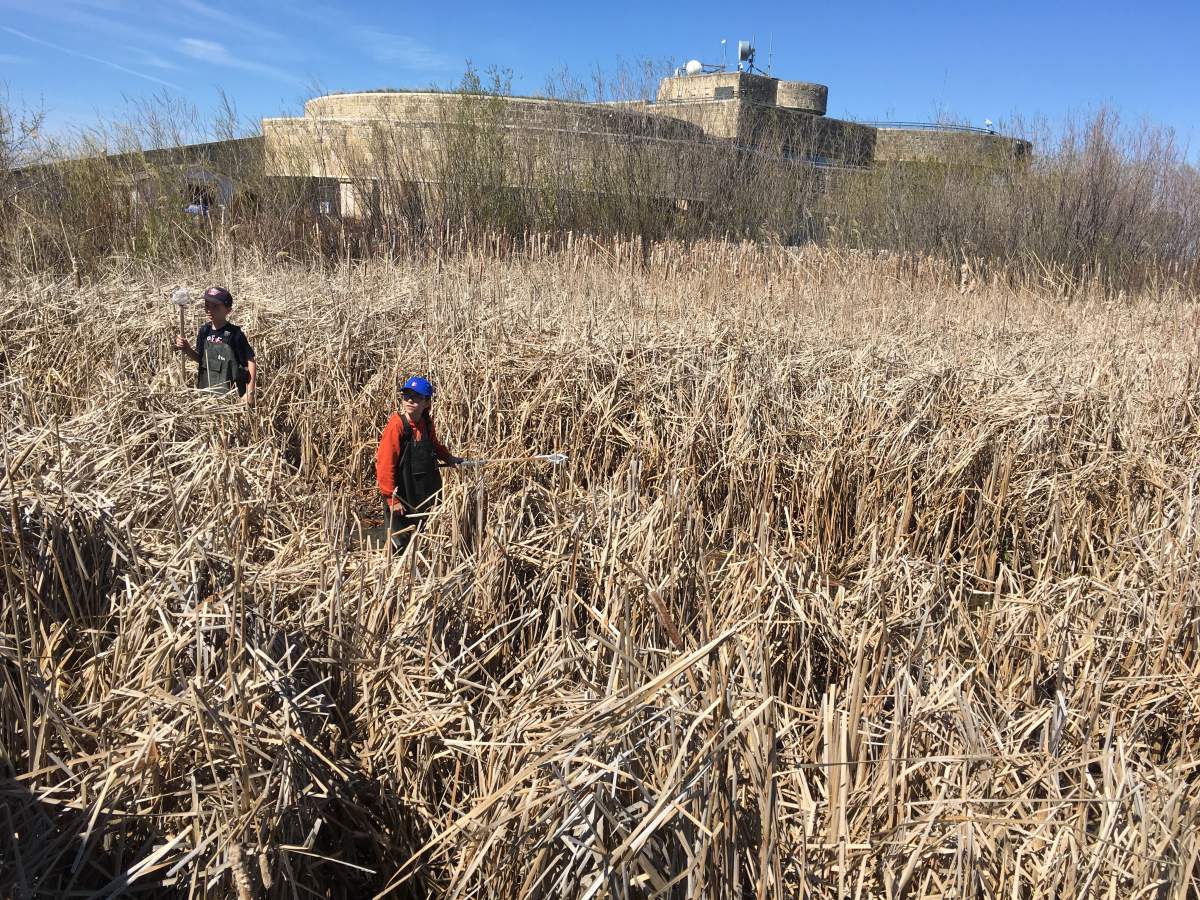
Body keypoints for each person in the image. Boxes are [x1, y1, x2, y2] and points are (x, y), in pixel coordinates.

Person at [374, 376, 462, 551]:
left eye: (416, 397)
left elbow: (434, 445)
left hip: (423, 493)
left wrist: (449, 458)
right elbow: (385, 464)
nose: (410, 400)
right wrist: (392, 498)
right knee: (400, 543)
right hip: (402, 495)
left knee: (423, 538)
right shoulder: (397, 426)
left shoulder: (426, 423)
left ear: (427, 403)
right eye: (406, 395)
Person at [172, 286, 257, 403]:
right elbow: (201, 360)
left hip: (231, 397)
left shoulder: (235, 334)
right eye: (207, 305)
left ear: (228, 310)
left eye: (215, 306)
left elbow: (250, 361)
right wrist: (187, 349)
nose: (209, 310)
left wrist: (249, 392)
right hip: (206, 395)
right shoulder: (204, 331)